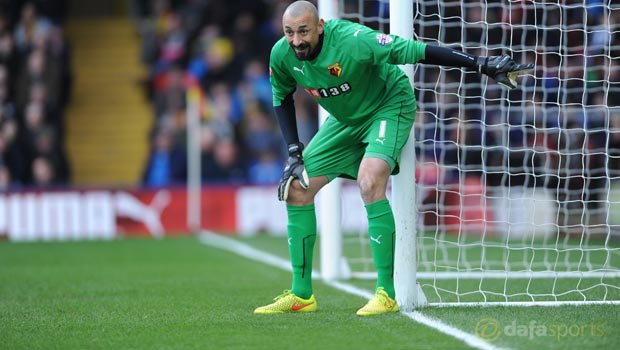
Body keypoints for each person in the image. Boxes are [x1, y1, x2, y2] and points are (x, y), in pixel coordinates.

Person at [254, 0, 532, 316]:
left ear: (320, 26)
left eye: (303, 31)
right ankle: (302, 295)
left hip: (389, 105)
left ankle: (386, 292)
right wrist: (293, 152)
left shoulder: (354, 40)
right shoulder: (282, 54)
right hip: (345, 120)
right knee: (296, 188)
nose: (296, 41)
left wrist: (480, 64)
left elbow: (416, 51)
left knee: (369, 180)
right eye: (289, 33)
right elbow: (281, 97)